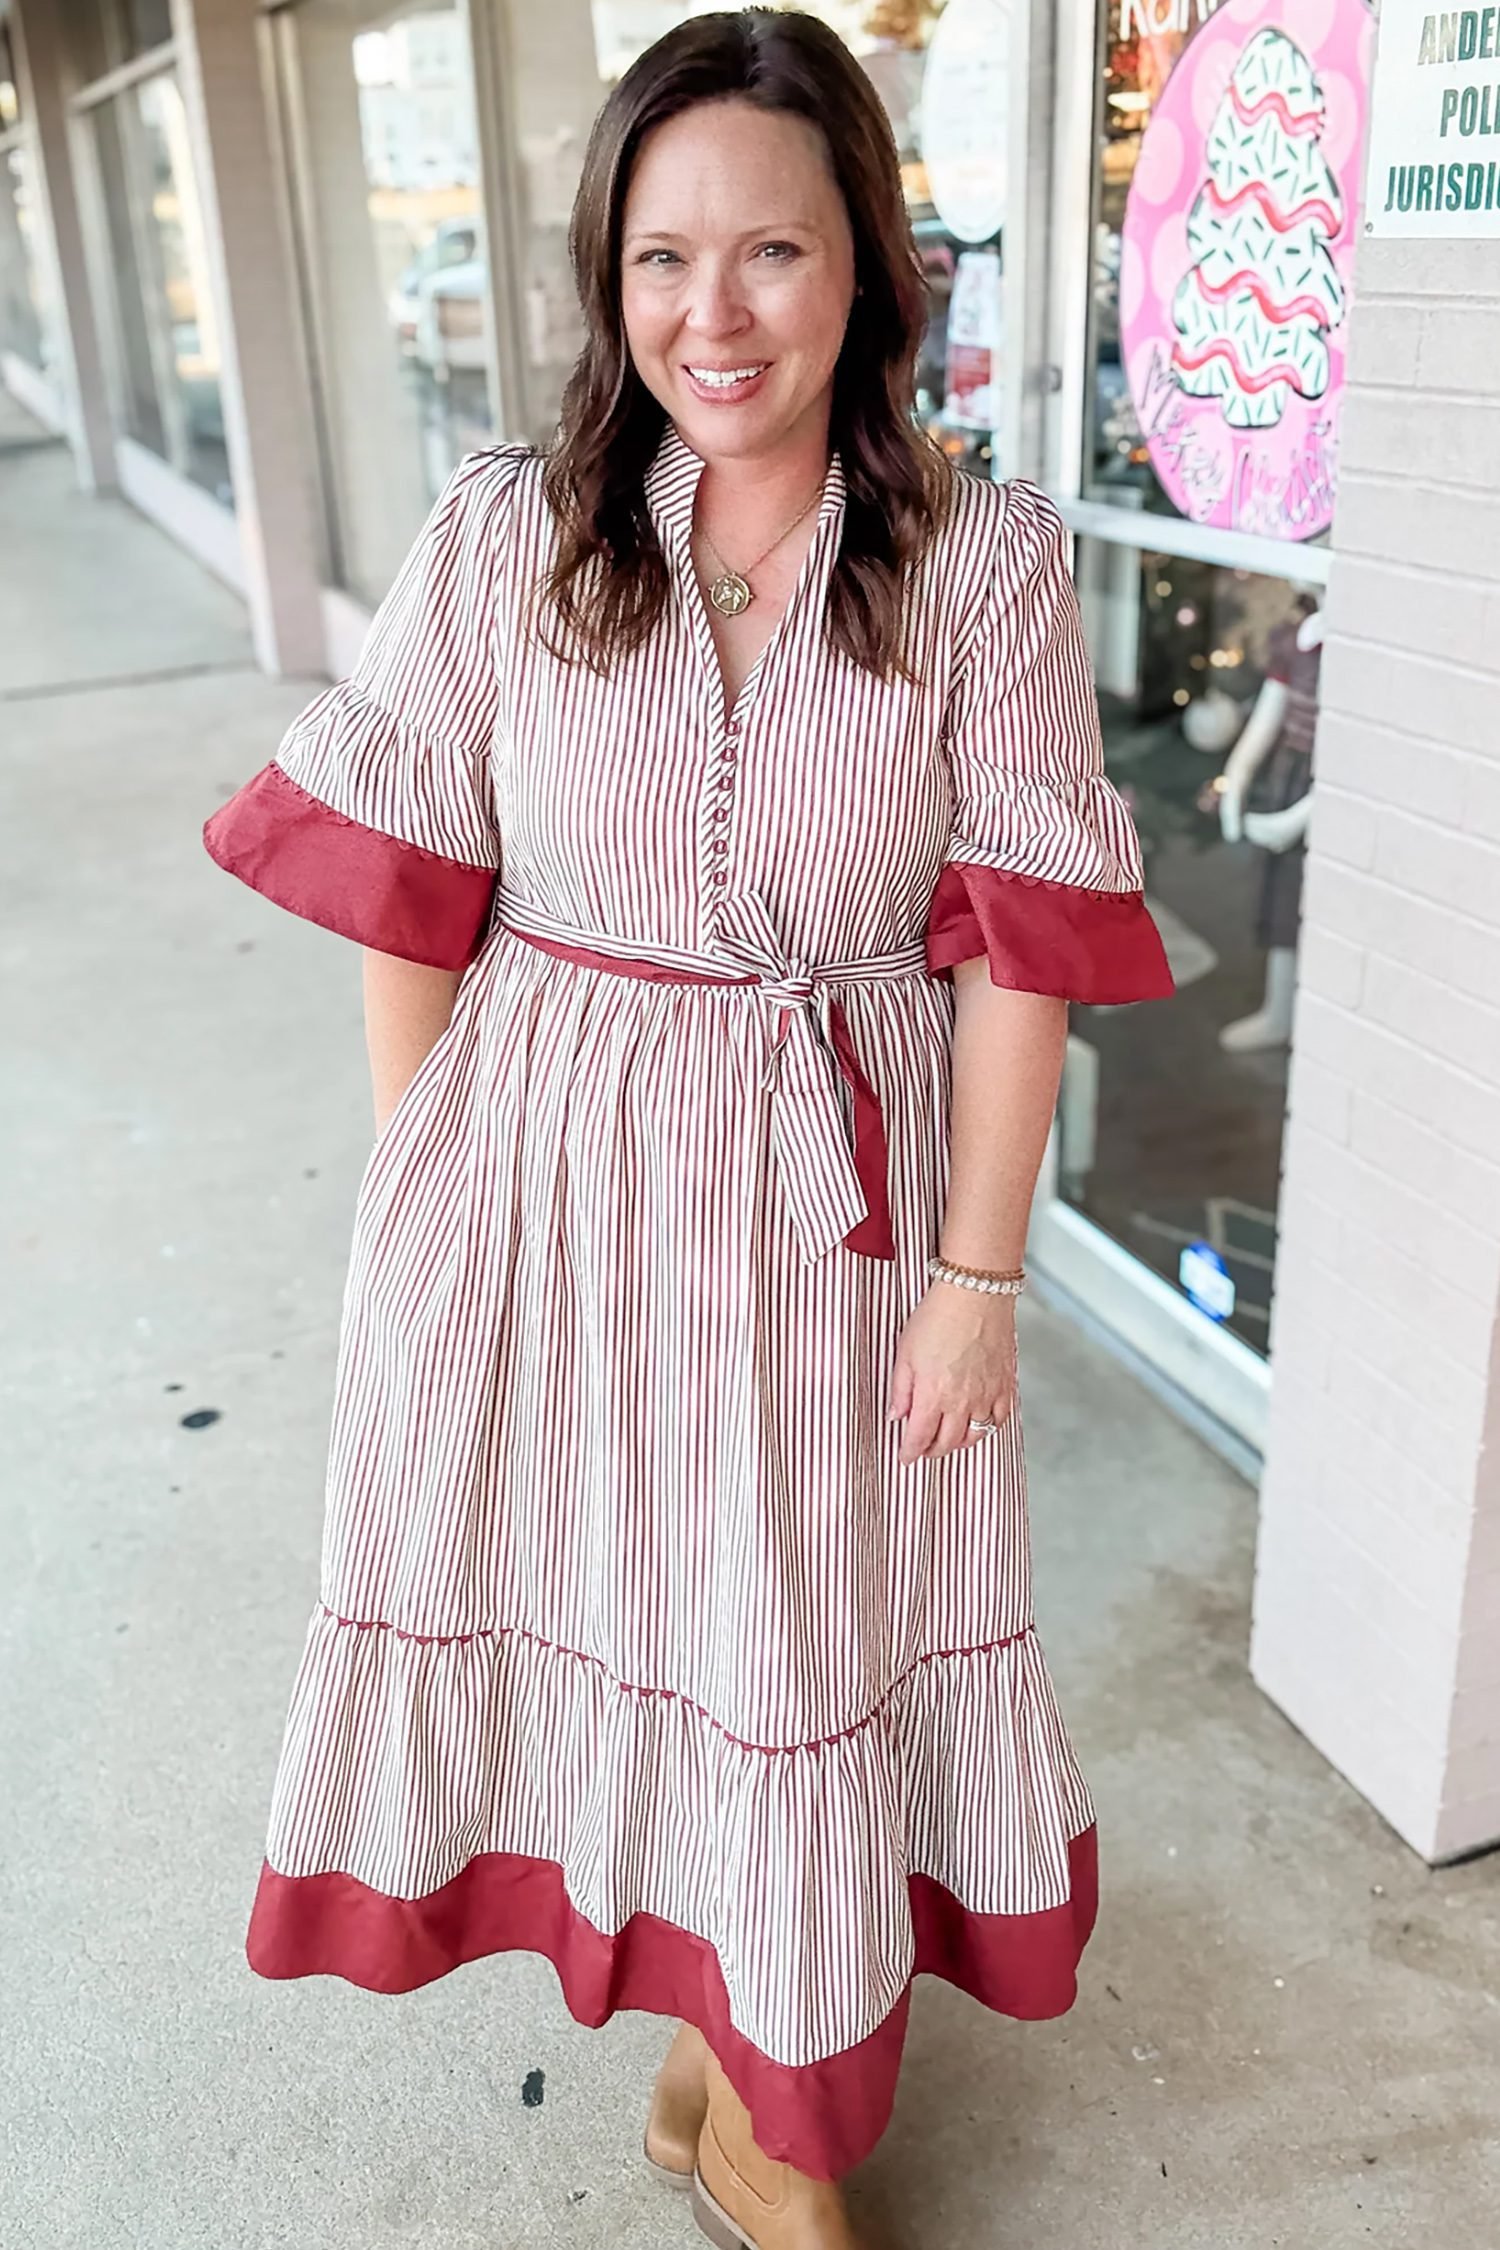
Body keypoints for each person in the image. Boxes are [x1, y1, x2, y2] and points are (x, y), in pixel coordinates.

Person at [203, 11, 1173, 2245]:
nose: (708, 317)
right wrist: (423, 1197)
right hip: (544, 1175)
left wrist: (980, 1278)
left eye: (770, 253)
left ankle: (769, 2095)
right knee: (625, 1608)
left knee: (803, 1635)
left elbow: (1019, 944)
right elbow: (412, 880)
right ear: (602, 276)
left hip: (835, 1205)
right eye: (660, 260)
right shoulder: (508, 537)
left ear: (869, 271)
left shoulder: (979, 561)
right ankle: (715, 2040)